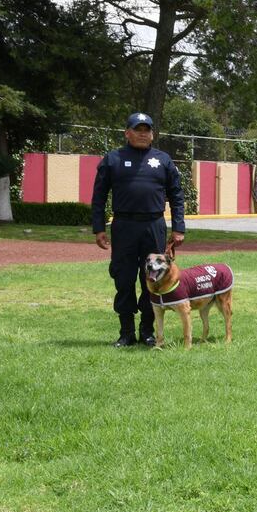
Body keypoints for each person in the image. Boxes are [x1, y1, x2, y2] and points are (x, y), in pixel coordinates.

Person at [92, 112, 185, 347]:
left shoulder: (163, 160)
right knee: (124, 278)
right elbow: (99, 196)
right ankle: (126, 333)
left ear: (152, 134)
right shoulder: (113, 159)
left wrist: (178, 228)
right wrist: (98, 228)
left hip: (153, 225)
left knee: (152, 279)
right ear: (127, 133)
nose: (143, 134)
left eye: (147, 130)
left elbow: (176, 195)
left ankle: (147, 331)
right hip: (124, 226)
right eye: (138, 129)